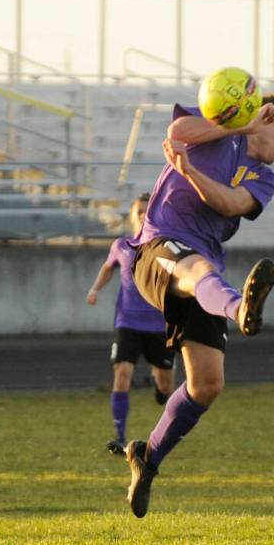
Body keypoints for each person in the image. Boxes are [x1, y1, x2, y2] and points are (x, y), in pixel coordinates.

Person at [124, 94, 274, 518]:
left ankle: (146, 457)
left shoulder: (265, 178)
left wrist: (190, 173)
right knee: (196, 267)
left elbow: (231, 204)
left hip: (205, 274)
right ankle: (241, 308)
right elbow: (177, 133)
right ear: (267, 118)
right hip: (159, 246)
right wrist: (239, 125)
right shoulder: (220, 132)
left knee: (207, 385)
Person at [86, 194, 174, 455]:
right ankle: (120, 437)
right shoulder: (122, 245)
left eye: (147, 211)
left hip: (159, 326)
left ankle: (160, 390)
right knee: (122, 375)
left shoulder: (164, 246)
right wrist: (95, 289)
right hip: (127, 323)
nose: (142, 215)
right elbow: (108, 268)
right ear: (132, 215)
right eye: (138, 211)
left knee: (166, 385)